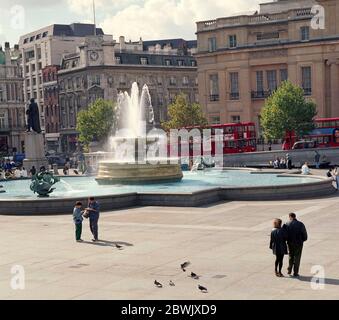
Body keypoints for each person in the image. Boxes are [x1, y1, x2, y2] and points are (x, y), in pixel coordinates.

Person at [284, 213, 308, 277]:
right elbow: (304, 233)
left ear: (290, 217)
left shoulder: (286, 224)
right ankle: (295, 272)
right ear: (295, 217)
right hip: (299, 243)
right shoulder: (300, 224)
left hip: (290, 243)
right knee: (297, 257)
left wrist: (286, 240)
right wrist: (304, 239)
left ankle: (289, 269)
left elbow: (284, 234)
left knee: (290, 256)